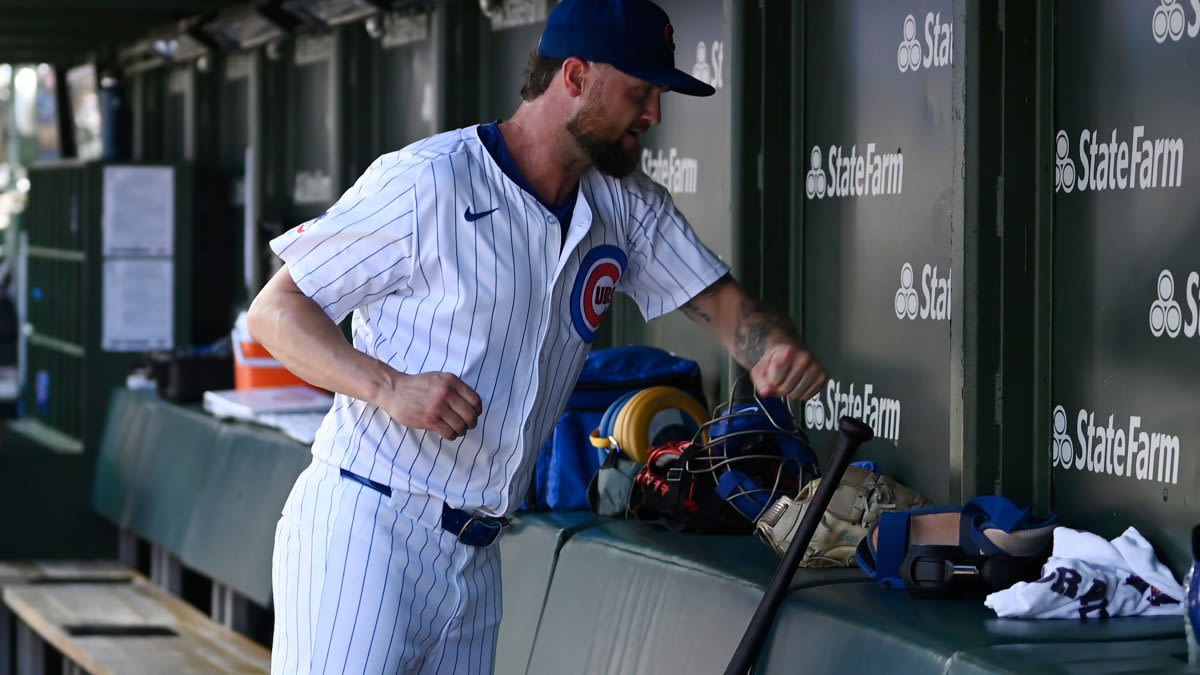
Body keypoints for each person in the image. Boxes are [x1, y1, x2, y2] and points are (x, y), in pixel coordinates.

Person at [247, 0, 827, 672]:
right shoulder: (431, 179)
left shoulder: (624, 206)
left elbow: (733, 314)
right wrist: (390, 386)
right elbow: (276, 311)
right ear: (574, 76)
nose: (653, 115)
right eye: (641, 92)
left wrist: (771, 350)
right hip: (370, 525)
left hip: (479, 549)